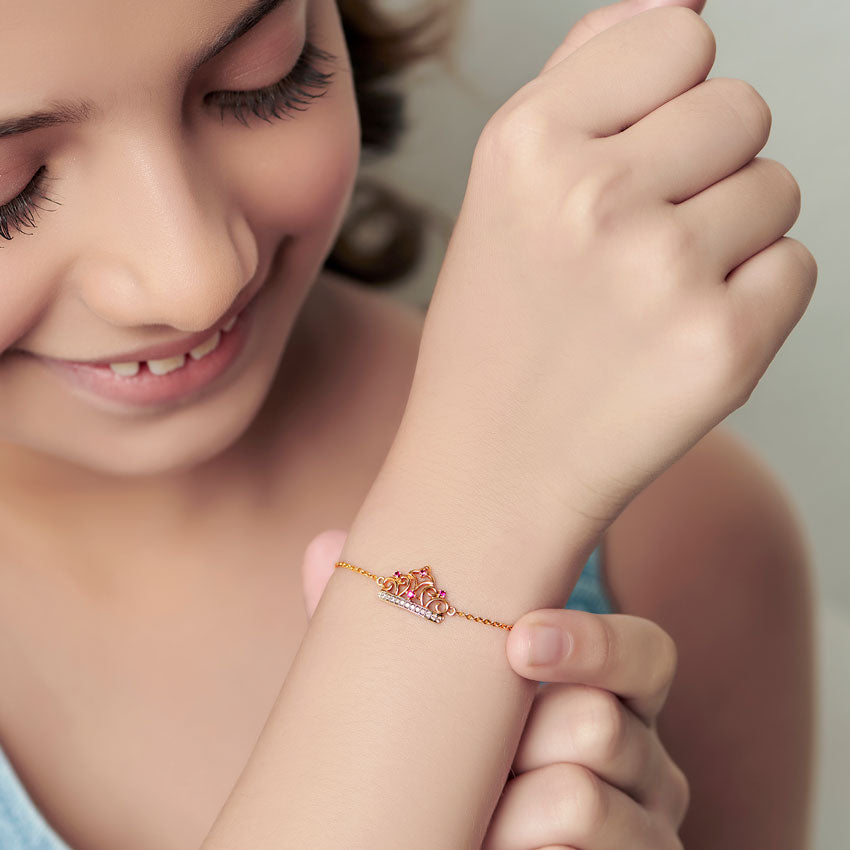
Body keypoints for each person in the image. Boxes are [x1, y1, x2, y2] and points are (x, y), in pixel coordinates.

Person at [0, 0, 815, 848]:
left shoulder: (670, 526)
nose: (197, 278)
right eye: (7, 193)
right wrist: (470, 525)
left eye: (260, 78)